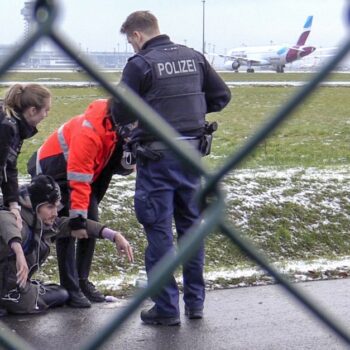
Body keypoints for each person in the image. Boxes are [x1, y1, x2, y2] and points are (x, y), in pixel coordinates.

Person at [114, 11, 231, 325]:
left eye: (130, 41)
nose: (132, 47)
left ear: (137, 35)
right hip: (192, 156)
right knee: (192, 230)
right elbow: (221, 96)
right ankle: (195, 304)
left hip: (156, 160)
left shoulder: (140, 65)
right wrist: (190, 109)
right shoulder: (194, 58)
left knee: (159, 233)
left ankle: (166, 308)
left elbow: (119, 109)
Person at [27, 98, 133, 308]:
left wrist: (131, 152)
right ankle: (70, 287)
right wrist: (78, 220)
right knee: (68, 226)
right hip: (54, 170)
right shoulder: (90, 132)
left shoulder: (114, 128)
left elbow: (112, 169)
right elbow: (78, 177)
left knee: (91, 220)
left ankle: (83, 281)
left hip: (81, 175)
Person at [0, 174, 133, 315]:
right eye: (50, 207)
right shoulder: (17, 219)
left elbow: (75, 224)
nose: (55, 213)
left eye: (56, 207)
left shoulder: (44, 225)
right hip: (8, 287)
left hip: (14, 285)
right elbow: (5, 220)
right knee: (33, 302)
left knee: (62, 294)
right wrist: (18, 251)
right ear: (35, 206)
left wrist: (114, 235)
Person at [0, 83, 51, 231]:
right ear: (32, 110)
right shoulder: (6, 126)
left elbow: (9, 168)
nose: (46, 115)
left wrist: (13, 204)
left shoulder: (15, 125)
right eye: (45, 110)